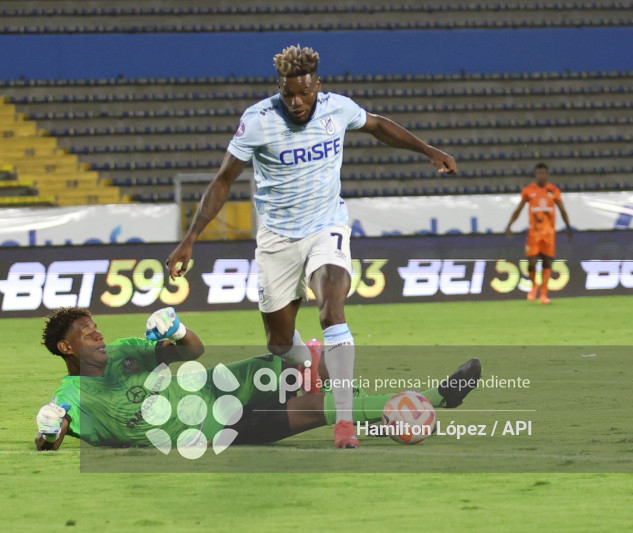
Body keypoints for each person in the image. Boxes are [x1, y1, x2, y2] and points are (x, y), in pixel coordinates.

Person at [165, 44, 458, 449]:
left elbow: (376, 125)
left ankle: (343, 423)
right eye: (289, 94)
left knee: (331, 306)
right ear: (279, 88)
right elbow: (223, 180)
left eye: (305, 93)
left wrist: (428, 150)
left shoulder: (337, 108)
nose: (298, 102)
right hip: (277, 240)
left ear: (318, 85)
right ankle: (311, 362)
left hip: (327, 227)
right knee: (279, 343)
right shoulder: (258, 121)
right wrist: (190, 238)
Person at [34, 307, 481, 451]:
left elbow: (193, 352)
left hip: (220, 385)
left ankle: (421, 406)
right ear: (66, 348)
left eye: (96, 325)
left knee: (308, 364)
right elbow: (52, 439)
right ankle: (434, 401)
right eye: (86, 331)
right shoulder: (70, 395)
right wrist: (47, 429)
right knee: (314, 406)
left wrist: (179, 330)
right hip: (217, 431)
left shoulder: (126, 353)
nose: (98, 332)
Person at [505, 163, 571, 304]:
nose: (541, 175)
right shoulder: (529, 191)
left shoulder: (553, 191)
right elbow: (518, 209)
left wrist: (568, 226)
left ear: (547, 175)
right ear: (535, 175)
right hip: (534, 234)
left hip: (549, 234)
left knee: (547, 262)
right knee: (532, 263)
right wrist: (510, 225)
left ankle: (544, 295)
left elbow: (562, 210)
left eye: (543, 173)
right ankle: (534, 285)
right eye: (538, 173)